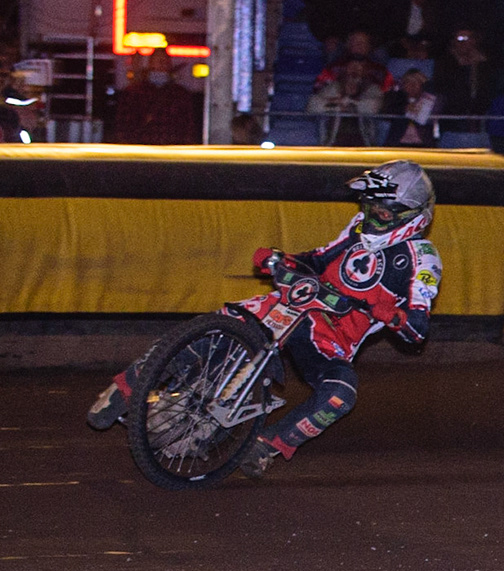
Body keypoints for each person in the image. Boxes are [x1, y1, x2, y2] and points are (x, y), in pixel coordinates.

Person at [88, 162, 443, 480]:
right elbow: (319, 259)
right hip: (295, 302)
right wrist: (282, 259)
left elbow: (418, 330)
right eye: (368, 207)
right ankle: (124, 388)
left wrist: (393, 315)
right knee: (217, 325)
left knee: (340, 395)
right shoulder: (357, 228)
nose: (371, 216)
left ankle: (268, 445)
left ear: (410, 215)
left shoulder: (423, 259)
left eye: (381, 212)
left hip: (332, 336)